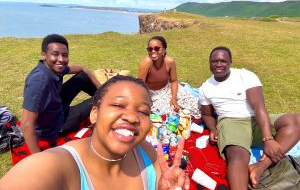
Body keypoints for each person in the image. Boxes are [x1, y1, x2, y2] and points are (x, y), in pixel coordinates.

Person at [0, 75, 190, 190]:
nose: (132, 117)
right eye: (118, 105)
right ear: (94, 114)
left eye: (143, 111)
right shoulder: (55, 166)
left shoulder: (146, 153)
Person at [198, 46, 300, 190]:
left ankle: (260, 166)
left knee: (296, 121)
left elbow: (259, 106)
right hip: (231, 122)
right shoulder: (205, 88)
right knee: (238, 157)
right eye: (214, 61)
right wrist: (213, 128)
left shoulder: (244, 75)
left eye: (223, 61)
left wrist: (268, 138)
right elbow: (207, 114)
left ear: (230, 62)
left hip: (255, 119)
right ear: (209, 63)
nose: (218, 64)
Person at [21, 34, 101, 154]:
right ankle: (106, 101)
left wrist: (102, 88)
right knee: (98, 101)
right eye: (55, 54)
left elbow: (81, 69)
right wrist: (38, 158)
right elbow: (26, 125)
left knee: (83, 78)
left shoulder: (52, 67)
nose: (61, 59)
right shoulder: (39, 82)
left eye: (64, 55)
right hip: (55, 125)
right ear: (44, 55)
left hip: (55, 106)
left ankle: (105, 94)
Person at [138, 36, 199, 115]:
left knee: (193, 106)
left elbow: (174, 81)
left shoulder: (170, 62)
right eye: (150, 49)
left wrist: (173, 98)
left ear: (164, 50)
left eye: (157, 48)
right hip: (151, 93)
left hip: (167, 88)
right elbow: (139, 85)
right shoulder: (147, 62)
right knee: (169, 112)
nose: (153, 51)